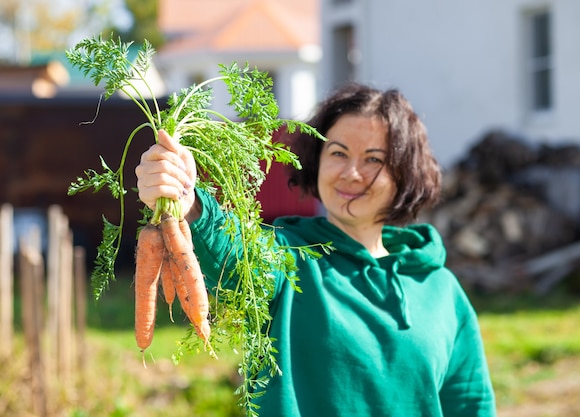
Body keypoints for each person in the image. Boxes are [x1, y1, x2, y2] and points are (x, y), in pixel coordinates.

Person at [135, 83, 497, 416]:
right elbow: (231, 257)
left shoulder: (441, 290)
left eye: (373, 159)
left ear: (404, 173)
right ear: (317, 161)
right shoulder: (288, 257)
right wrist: (187, 201)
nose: (351, 173)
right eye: (338, 153)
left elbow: (470, 404)